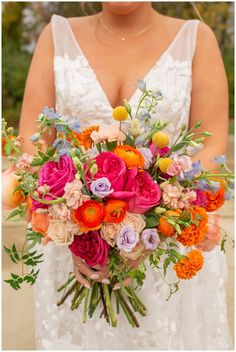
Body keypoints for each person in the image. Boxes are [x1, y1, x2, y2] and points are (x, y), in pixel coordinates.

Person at [19, 2, 232, 349]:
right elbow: (32, 149)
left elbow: (210, 155)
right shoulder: (55, 37)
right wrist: (75, 228)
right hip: (73, 255)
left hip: (168, 259)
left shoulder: (197, 40)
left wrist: (152, 227)